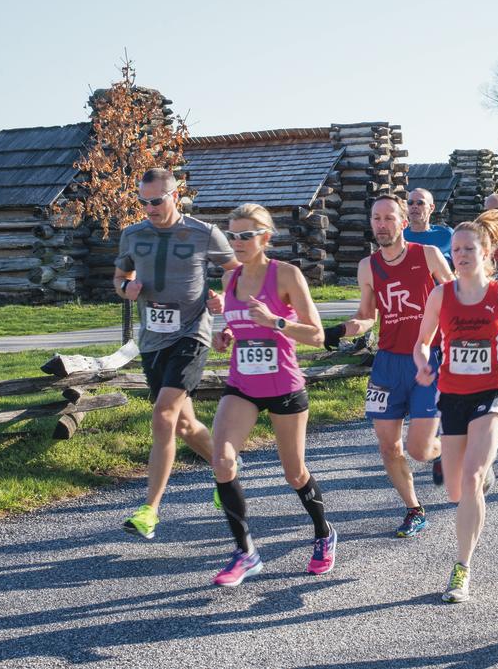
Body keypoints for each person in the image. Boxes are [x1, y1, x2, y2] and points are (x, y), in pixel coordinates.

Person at [414, 211, 498, 603]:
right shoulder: (441, 295)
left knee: (469, 479)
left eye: (470, 249)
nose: (462, 255)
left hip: (494, 392)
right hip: (452, 394)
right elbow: (423, 341)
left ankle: (462, 569)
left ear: (487, 254)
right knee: (456, 490)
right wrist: (423, 361)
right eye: (456, 250)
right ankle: (481, 477)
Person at [208, 204, 335, 586]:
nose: (237, 242)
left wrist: (276, 321)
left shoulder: (286, 275)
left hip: (283, 387)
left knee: (294, 472)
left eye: (246, 235)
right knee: (222, 461)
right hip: (242, 386)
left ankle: (324, 534)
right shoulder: (230, 279)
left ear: (265, 237)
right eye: (233, 235)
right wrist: (225, 336)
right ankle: (246, 553)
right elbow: (238, 329)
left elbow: (316, 334)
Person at [114, 168, 238, 540]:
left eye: (156, 200)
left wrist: (224, 303)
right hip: (152, 339)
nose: (149, 208)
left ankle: (149, 510)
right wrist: (126, 289)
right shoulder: (132, 234)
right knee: (184, 425)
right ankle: (227, 467)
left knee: (164, 415)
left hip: (191, 334)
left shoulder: (204, 233)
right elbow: (119, 277)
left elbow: (236, 273)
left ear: (175, 195)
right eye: (143, 201)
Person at [330, 194, 454, 537]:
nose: (381, 224)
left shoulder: (427, 255)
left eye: (388, 218)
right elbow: (367, 317)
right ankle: (414, 509)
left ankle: (450, 449)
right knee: (388, 445)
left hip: (426, 360)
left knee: (419, 449)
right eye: (376, 218)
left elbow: (455, 296)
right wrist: (341, 330)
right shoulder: (367, 266)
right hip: (387, 363)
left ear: (403, 222)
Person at [404, 187, 454, 265]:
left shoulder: (447, 235)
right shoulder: (399, 237)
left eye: (420, 203)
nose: (414, 206)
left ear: (431, 208)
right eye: (410, 202)